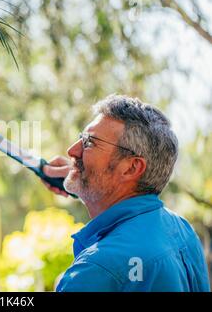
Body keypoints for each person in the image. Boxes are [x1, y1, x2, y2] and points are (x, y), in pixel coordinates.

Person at [42, 94, 210, 292]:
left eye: (89, 143)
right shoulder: (182, 230)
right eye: (81, 138)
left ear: (131, 168)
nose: (72, 151)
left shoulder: (96, 269)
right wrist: (84, 182)